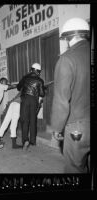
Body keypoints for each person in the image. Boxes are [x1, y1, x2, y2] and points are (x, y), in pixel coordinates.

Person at [47, 18, 90, 173]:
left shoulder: (67, 59)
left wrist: (57, 128)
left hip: (78, 127)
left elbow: (61, 100)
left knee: (75, 168)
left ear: (68, 37)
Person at [17, 63, 45, 150]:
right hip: (34, 101)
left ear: (31, 69)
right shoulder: (40, 80)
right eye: (39, 71)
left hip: (25, 100)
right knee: (33, 120)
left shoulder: (25, 77)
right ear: (37, 71)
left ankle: (25, 140)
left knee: (24, 120)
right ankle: (33, 141)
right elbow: (42, 94)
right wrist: (44, 89)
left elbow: (18, 87)